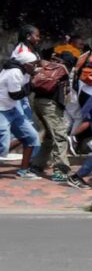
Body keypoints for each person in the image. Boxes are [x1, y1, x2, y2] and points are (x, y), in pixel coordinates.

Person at [29, 51, 76, 182]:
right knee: (60, 136)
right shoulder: (63, 69)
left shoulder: (47, 66)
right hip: (50, 104)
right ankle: (60, 170)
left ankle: (37, 164)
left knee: (50, 136)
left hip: (37, 101)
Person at [0, 51, 41, 179]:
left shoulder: (24, 71)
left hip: (12, 109)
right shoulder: (14, 72)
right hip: (2, 110)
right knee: (3, 145)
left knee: (32, 137)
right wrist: (33, 84)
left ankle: (23, 171)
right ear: (25, 64)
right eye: (33, 64)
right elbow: (15, 94)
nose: (35, 66)